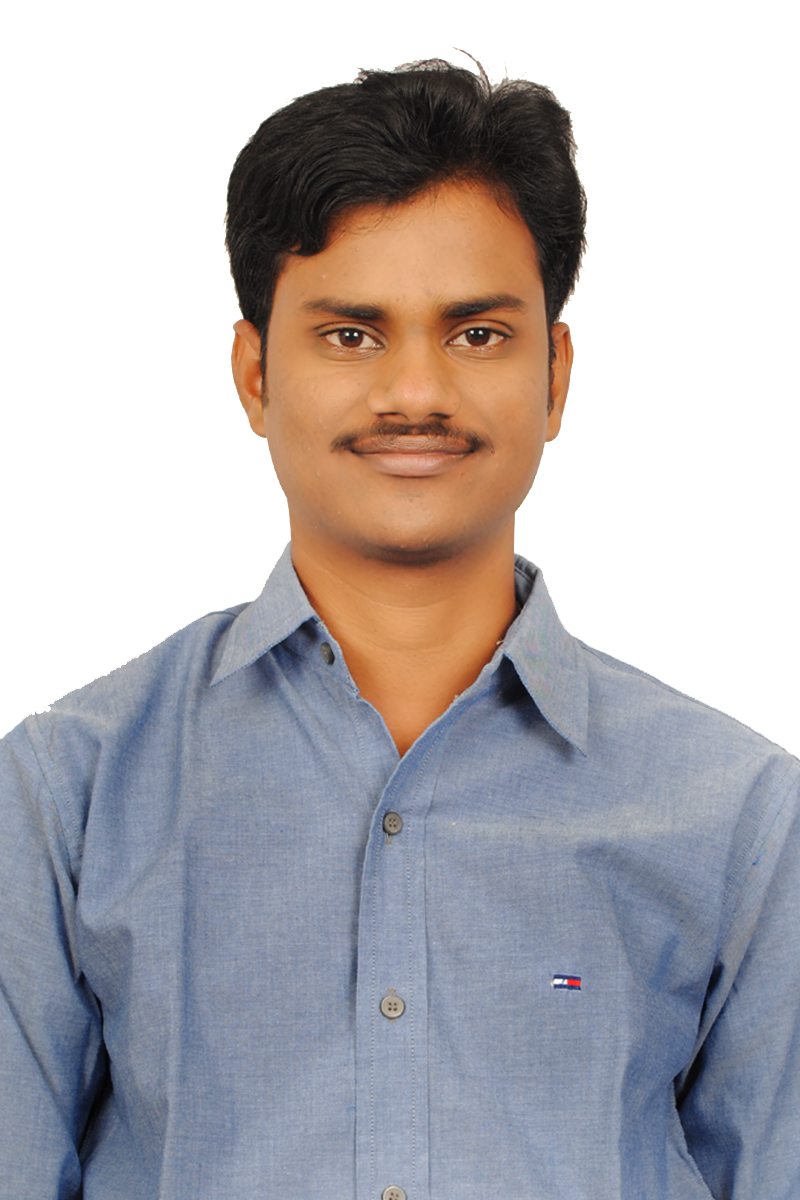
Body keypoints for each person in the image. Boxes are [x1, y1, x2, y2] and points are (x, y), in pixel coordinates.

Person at [1, 59, 798, 1200]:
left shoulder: (740, 819)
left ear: (554, 375)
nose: (415, 392)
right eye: (350, 335)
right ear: (254, 375)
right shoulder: (68, 797)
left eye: (476, 334)